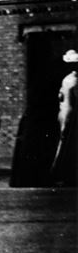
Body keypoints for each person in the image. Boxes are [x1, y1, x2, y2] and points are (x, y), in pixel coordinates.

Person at [51, 49, 78, 186]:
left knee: (64, 141)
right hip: (67, 111)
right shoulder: (70, 80)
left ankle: (61, 172)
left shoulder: (68, 80)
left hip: (67, 112)